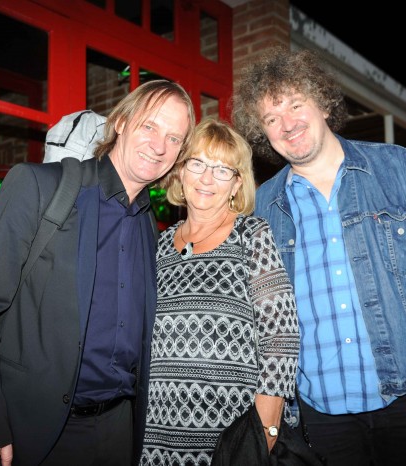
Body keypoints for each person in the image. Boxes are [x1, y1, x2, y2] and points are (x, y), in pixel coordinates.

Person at [232, 46, 406, 465]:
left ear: (323, 104)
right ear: (262, 133)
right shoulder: (264, 206)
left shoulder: (397, 169)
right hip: (320, 416)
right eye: (271, 119)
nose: (287, 124)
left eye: (295, 105)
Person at [0, 79, 196, 466]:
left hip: (118, 430)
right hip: (31, 430)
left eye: (174, 138)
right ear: (121, 123)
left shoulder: (151, 226)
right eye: (149, 126)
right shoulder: (39, 187)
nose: (159, 146)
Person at [138, 117, 300, 465]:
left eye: (223, 169)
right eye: (197, 163)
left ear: (237, 184)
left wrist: (266, 430)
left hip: (232, 433)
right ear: (181, 171)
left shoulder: (251, 235)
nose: (207, 178)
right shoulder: (160, 245)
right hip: (156, 430)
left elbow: (281, 336)